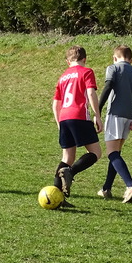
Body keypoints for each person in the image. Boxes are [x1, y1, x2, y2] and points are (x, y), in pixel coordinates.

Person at [97, 45, 132, 203]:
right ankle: (106, 188)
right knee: (116, 152)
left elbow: (108, 87)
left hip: (115, 114)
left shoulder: (113, 68)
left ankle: (130, 185)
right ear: (131, 60)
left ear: (114, 58)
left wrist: (97, 111)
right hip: (129, 117)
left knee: (111, 153)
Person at [52, 45, 103, 201]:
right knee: (95, 153)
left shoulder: (62, 77)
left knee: (67, 158)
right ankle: (70, 172)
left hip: (64, 117)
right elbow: (90, 93)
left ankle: (55, 197)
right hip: (79, 115)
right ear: (84, 59)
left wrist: (60, 123)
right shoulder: (86, 72)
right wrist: (97, 115)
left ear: (68, 61)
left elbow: (55, 104)